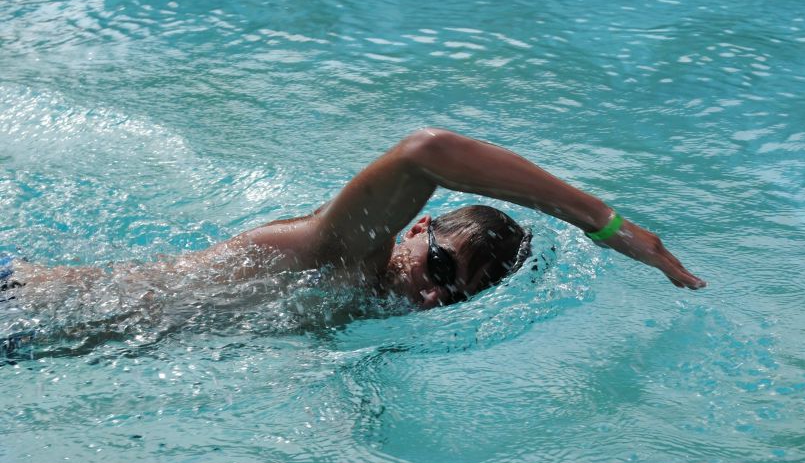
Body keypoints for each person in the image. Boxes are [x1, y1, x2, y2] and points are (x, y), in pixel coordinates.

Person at [1, 128, 705, 314]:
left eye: (453, 296)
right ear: (416, 229)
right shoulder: (342, 252)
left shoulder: (366, 306)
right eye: (441, 266)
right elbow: (428, 152)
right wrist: (605, 225)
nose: (433, 293)